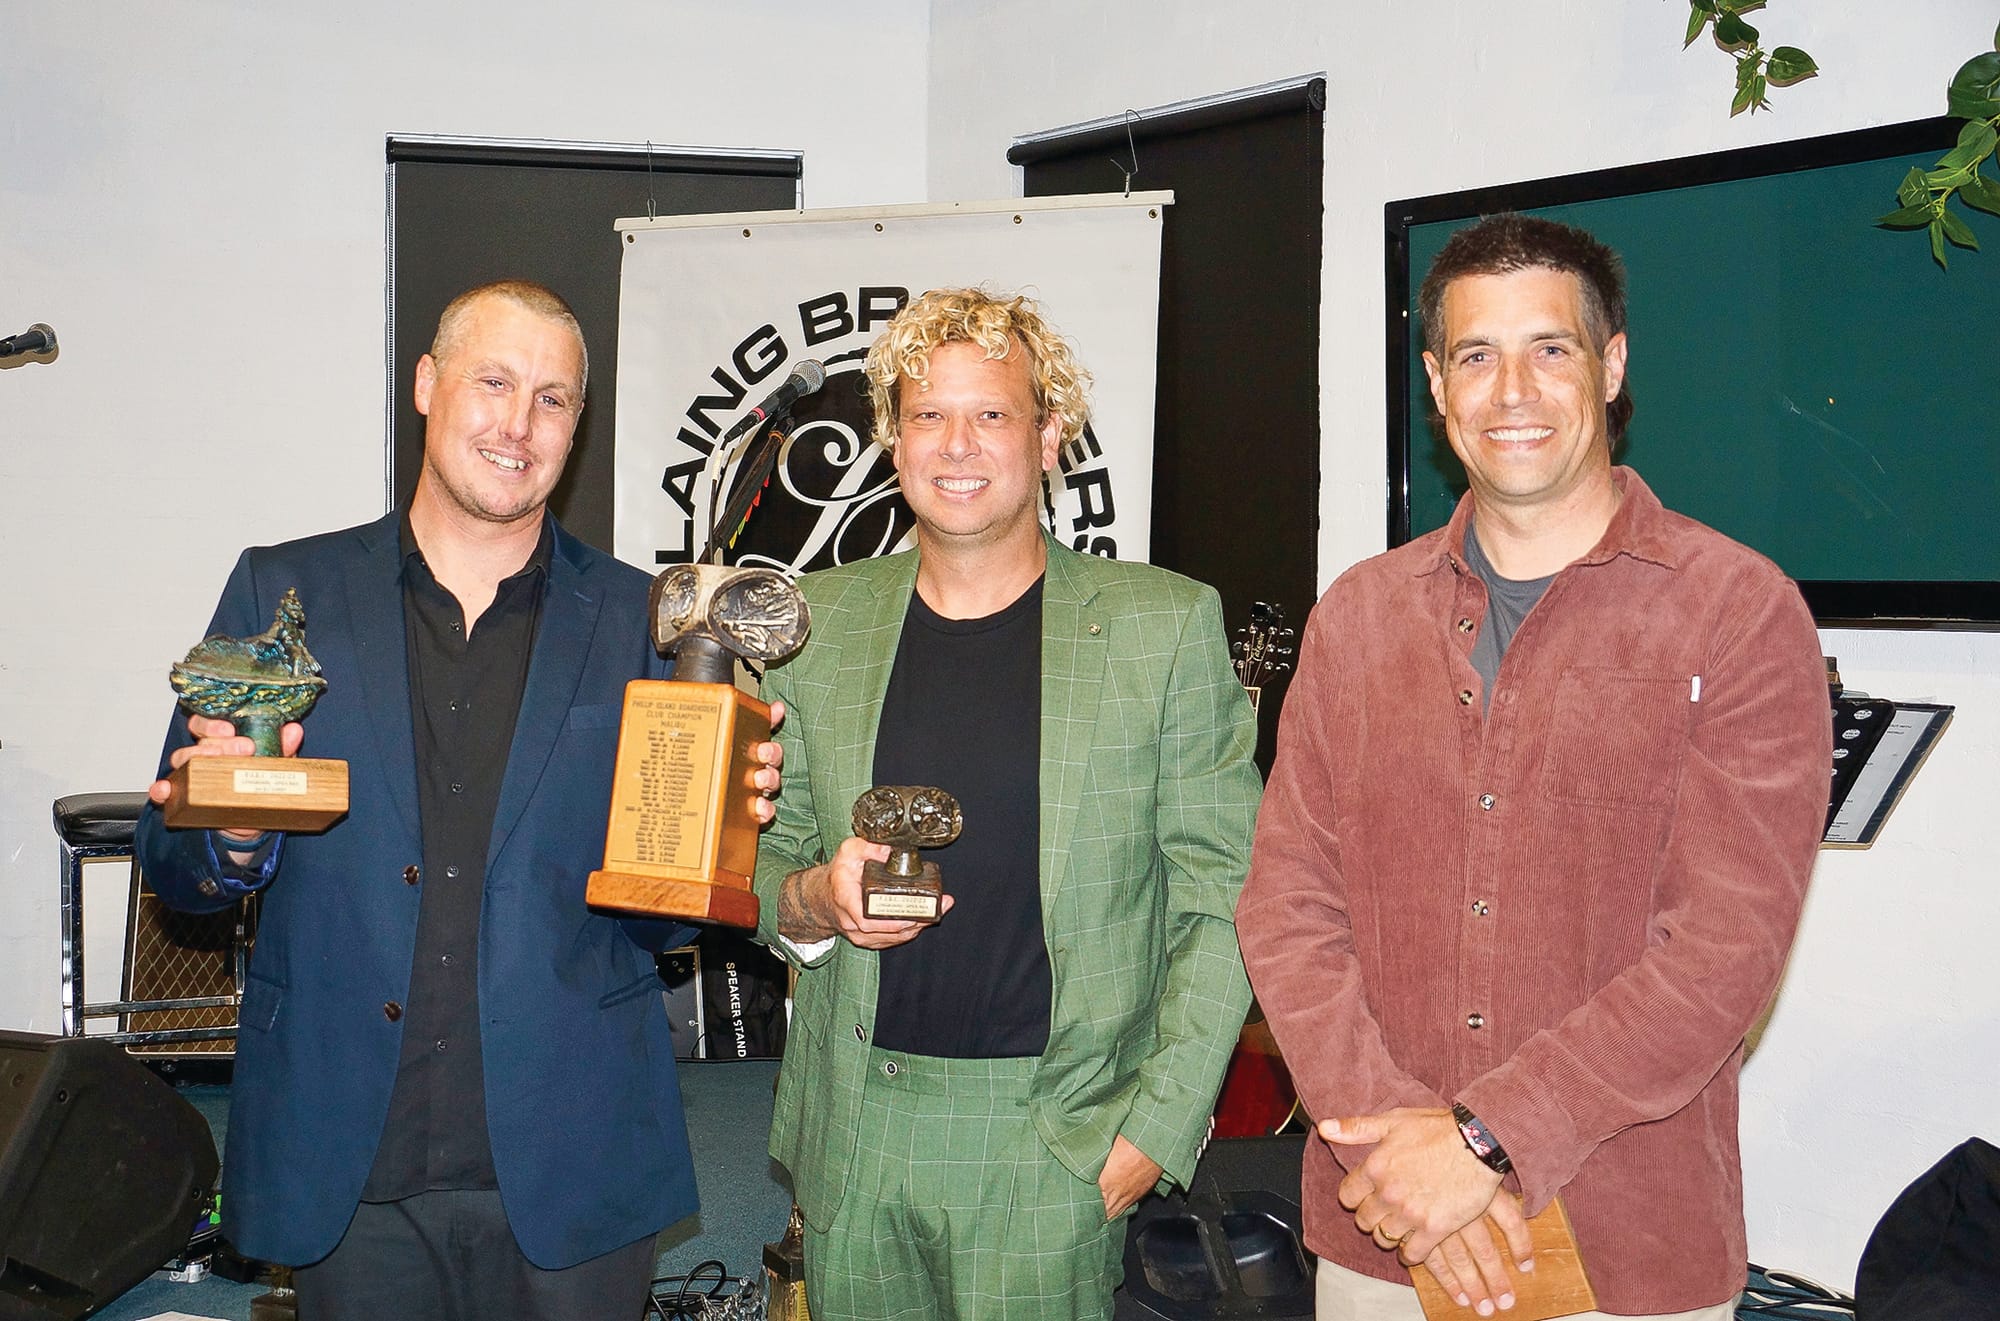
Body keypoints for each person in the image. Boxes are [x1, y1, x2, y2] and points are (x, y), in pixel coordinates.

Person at [138, 280, 782, 1321]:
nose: (519, 423)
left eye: (552, 398)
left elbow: (658, 924)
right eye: (493, 382)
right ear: (428, 385)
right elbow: (176, 867)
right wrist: (234, 835)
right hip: (351, 1156)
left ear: (576, 424)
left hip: (573, 1155)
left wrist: (716, 835)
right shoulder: (284, 591)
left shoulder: (642, 618)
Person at [1236, 215, 1831, 1321]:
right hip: (1381, 1235)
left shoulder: (1739, 613)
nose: (1511, 390)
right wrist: (1407, 1161)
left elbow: (1723, 951)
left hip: (1626, 1251)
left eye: (1549, 348)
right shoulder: (1357, 618)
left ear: (1610, 364)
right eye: (1476, 355)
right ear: (1436, 384)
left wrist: (1481, 1140)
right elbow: (1286, 908)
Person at [749, 287, 1261, 1320]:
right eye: (928, 415)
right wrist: (812, 898)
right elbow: (759, 865)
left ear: (1048, 435)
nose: (957, 444)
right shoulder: (818, 627)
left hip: (1054, 1142)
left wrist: (1155, 1129)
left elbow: (1227, 897)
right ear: (893, 441)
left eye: (991, 412)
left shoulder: (1160, 628)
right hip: (856, 1134)